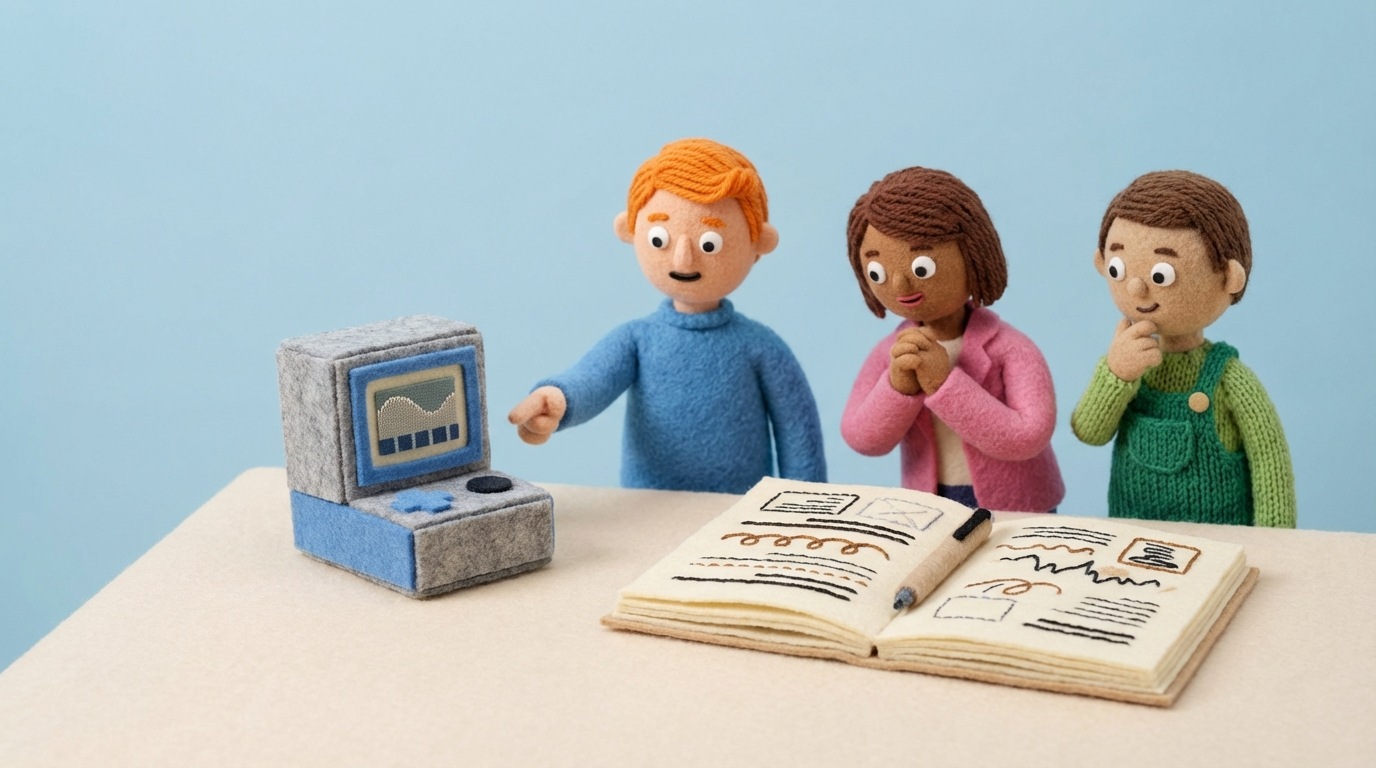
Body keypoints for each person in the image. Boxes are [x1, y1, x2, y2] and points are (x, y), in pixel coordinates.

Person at [507, 138, 826, 493]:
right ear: (631, 230)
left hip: (738, 513)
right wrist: (556, 401)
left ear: (758, 242)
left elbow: (798, 431)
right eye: (661, 239)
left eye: (709, 244)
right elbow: (593, 379)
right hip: (649, 509)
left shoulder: (762, 347)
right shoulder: (637, 340)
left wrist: (809, 503)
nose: (683, 260)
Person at [1071, 170, 1295, 526]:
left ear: (1229, 278)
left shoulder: (1228, 378)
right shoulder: (1127, 360)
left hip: (1219, 544)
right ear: (1102, 264)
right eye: (1119, 267)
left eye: (1161, 274)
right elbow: (1090, 431)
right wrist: (1115, 375)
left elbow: (1270, 464)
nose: (1137, 288)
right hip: (1133, 542)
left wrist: (1277, 542)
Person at [840, 167, 1063, 512]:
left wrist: (945, 384)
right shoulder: (891, 354)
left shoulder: (1011, 348)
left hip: (1018, 504)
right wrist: (898, 388)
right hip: (929, 502)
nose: (900, 285)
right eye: (877, 272)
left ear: (974, 253)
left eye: (921, 268)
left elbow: (1029, 436)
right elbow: (861, 438)